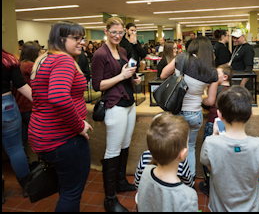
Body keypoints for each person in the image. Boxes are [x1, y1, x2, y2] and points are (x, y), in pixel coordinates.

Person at [28, 21, 93, 212]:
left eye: (82, 38)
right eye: (76, 38)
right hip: (63, 138)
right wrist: (78, 125)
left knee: (66, 189)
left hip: (43, 135)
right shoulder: (63, 61)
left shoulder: (45, 59)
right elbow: (58, 98)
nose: (81, 42)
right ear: (61, 39)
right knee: (71, 193)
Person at [91, 17, 141, 212]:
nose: (118, 36)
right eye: (114, 32)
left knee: (125, 145)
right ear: (106, 31)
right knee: (112, 151)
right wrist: (121, 76)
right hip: (114, 105)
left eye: (121, 32)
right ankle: (110, 199)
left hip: (129, 102)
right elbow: (97, 85)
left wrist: (132, 79)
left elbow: (125, 74)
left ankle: (120, 182)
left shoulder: (121, 50)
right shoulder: (99, 54)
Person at [200, 85, 259, 212]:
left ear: (219, 115)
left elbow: (210, 167)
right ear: (251, 114)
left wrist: (214, 135)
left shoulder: (211, 143)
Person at [161, 36, 219, 179]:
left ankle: (175, 178)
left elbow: (163, 74)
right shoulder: (213, 72)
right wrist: (199, 96)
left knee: (176, 148)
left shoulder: (182, 59)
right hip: (195, 114)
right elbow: (211, 101)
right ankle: (190, 178)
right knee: (190, 147)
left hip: (177, 112)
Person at [137, 113, 198, 212]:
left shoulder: (146, 171)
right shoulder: (189, 197)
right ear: (183, 154)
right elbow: (188, 182)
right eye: (187, 142)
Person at [2, 49, 32, 201]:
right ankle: (27, 186)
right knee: (15, 149)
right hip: (6, 106)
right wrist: (43, 103)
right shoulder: (8, 60)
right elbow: (21, 86)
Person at [199, 64, 233, 196]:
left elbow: (207, 104)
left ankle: (209, 185)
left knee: (208, 156)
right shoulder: (232, 91)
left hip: (212, 124)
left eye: (216, 74)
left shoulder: (216, 89)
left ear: (224, 77)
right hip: (227, 127)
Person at [13, 41, 41, 151]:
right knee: (39, 136)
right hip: (30, 106)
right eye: (39, 51)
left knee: (23, 139)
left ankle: (25, 164)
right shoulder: (31, 66)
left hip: (20, 106)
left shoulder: (20, 64)